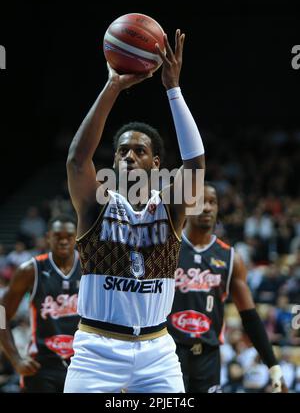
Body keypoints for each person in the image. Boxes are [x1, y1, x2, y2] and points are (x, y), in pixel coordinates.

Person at [64, 28, 205, 393]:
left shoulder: (170, 209)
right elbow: (78, 160)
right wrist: (113, 87)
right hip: (96, 350)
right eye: (122, 151)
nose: (128, 156)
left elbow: (196, 163)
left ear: (156, 164)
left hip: (157, 353)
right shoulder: (97, 206)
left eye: (139, 151)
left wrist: (172, 89)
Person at [167, 182, 288, 393]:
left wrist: (274, 367)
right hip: (168, 354)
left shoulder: (230, 258)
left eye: (212, 202)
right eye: (199, 201)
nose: (206, 207)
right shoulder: (167, 249)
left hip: (208, 357)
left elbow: (250, 316)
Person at [0, 215, 81, 393]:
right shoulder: (30, 270)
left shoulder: (90, 268)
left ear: (77, 237)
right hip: (42, 365)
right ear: (48, 237)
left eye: (69, 236)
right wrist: (15, 359)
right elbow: (1, 312)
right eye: (58, 236)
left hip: (83, 363)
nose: (63, 241)